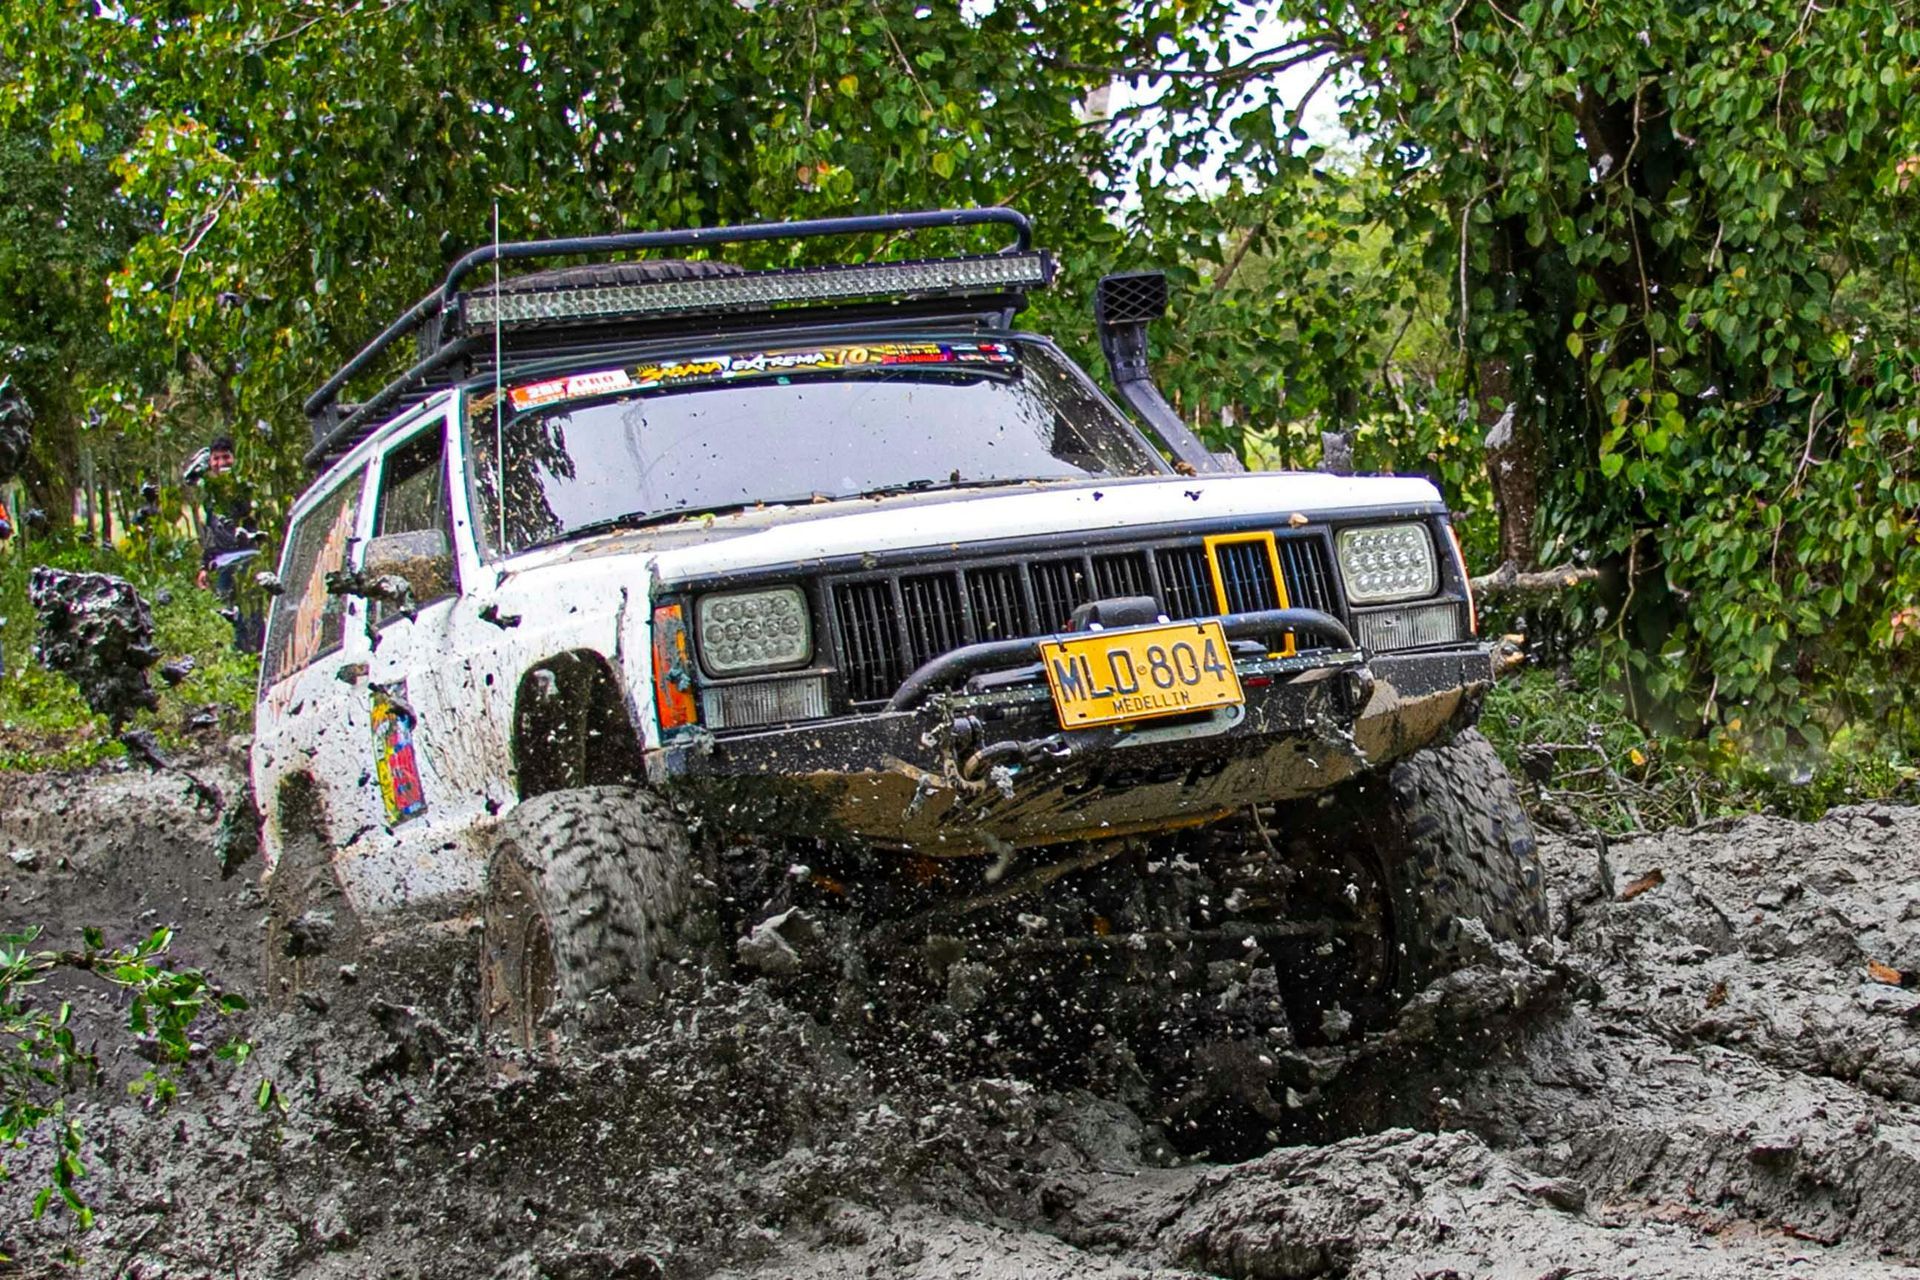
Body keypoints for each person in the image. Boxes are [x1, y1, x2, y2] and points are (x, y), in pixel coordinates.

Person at [189, 435, 265, 653]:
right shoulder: (210, 495)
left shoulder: (244, 487)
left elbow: (254, 521)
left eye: (226, 457)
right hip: (223, 563)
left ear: (234, 458)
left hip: (247, 558)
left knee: (253, 612)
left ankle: (258, 655)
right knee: (229, 615)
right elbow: (212, 533)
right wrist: (204, 566)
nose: (221, 463)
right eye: (216, 458)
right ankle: (242, 657)